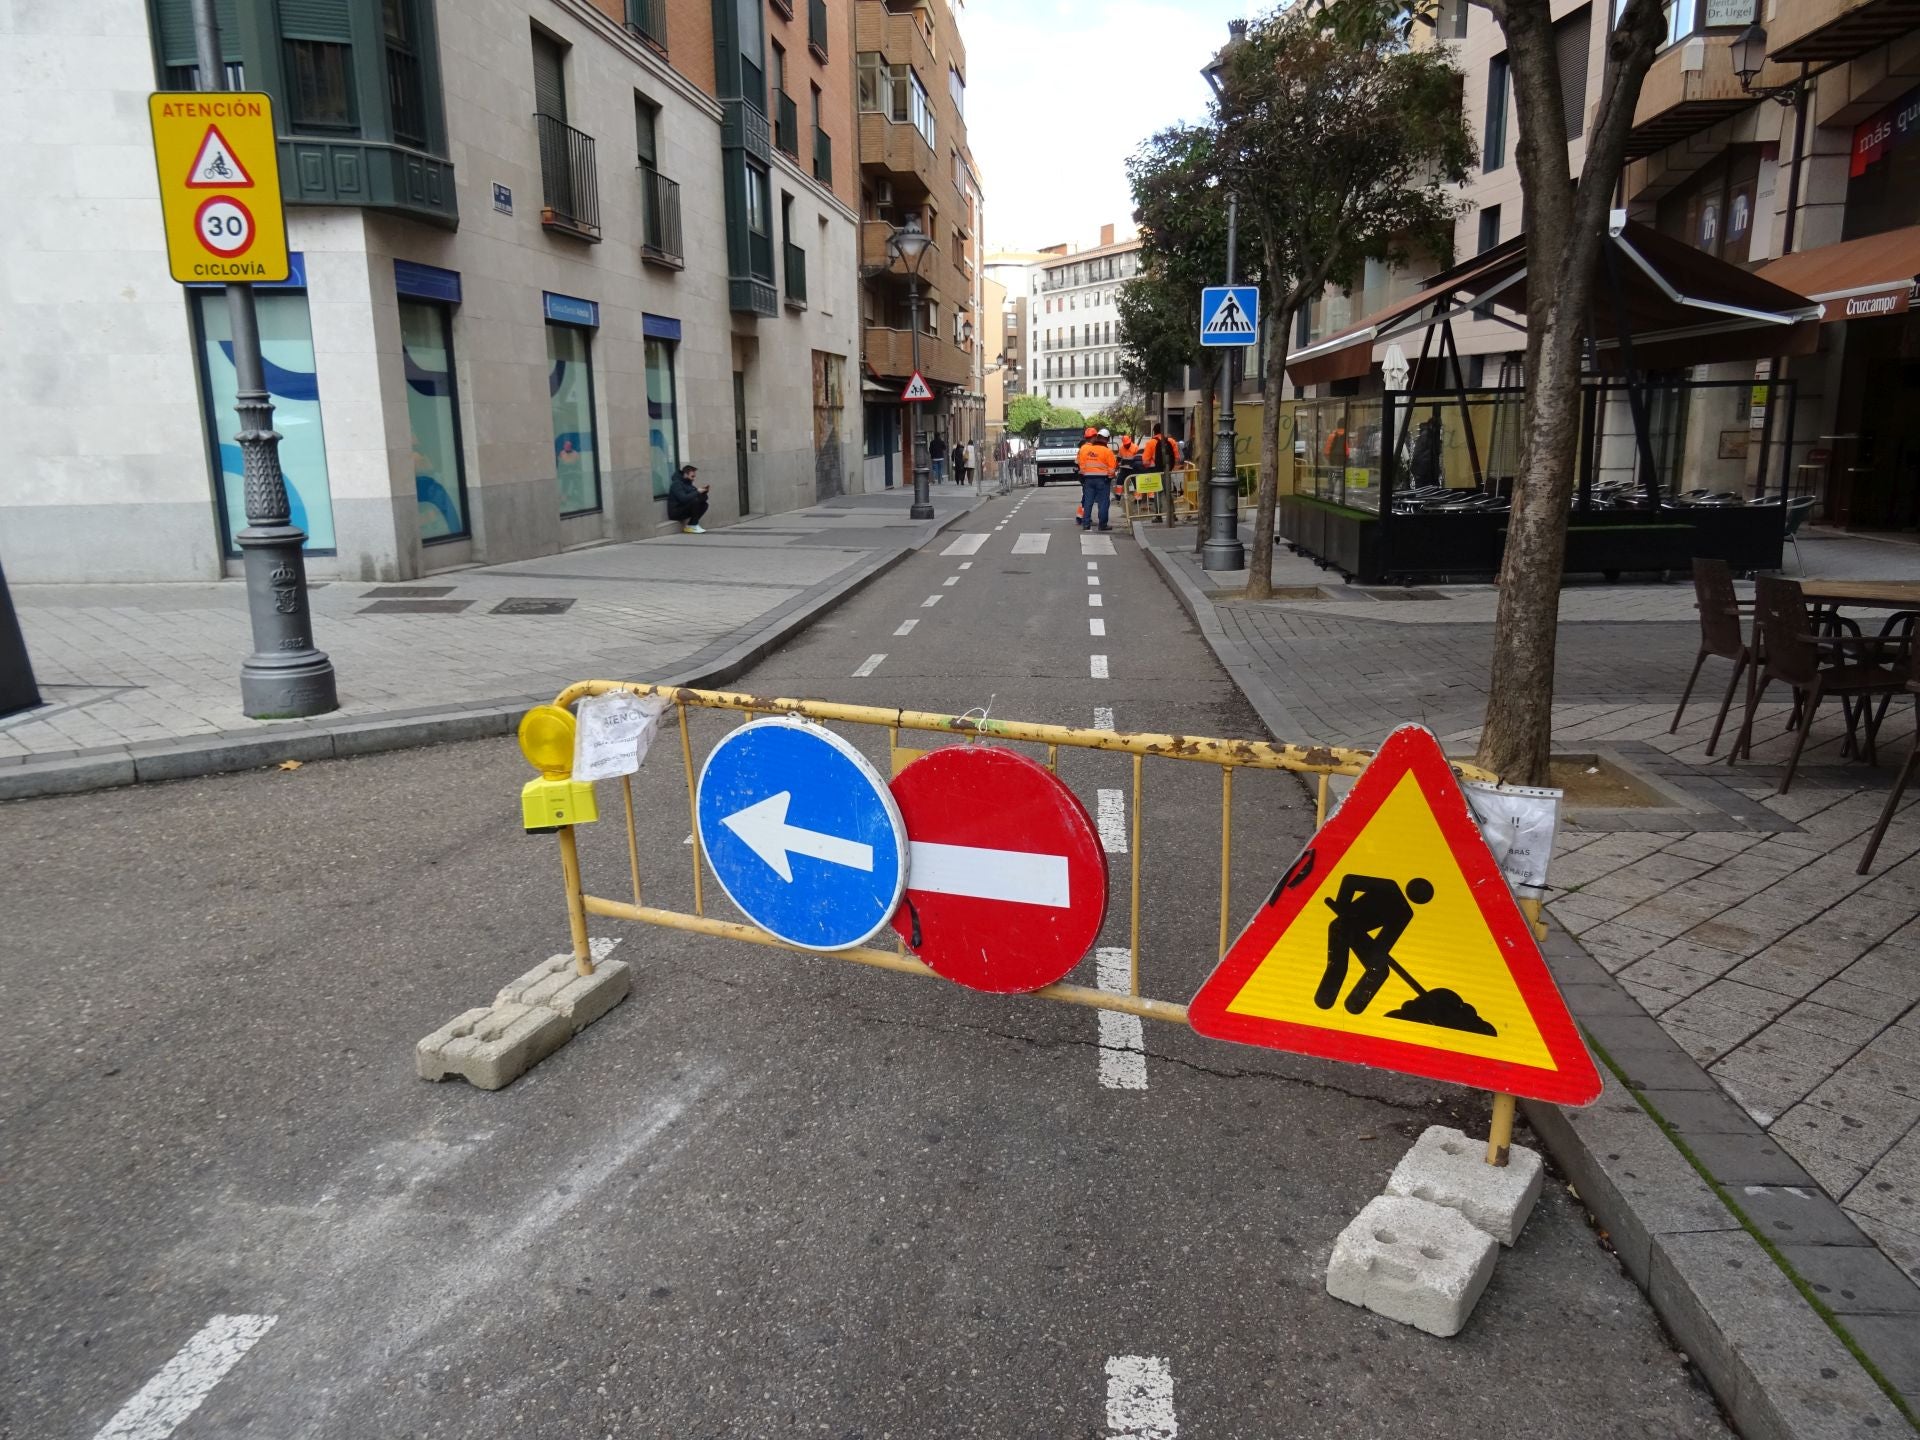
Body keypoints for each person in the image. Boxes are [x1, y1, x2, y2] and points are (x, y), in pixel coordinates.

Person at [1075, 428, 1119, 532]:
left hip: (1088, 479)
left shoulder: (1088, 450)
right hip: (1102, 480)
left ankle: (1086, 525)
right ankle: (1102, 525)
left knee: (1088, 502)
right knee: (1103, 503)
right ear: (1107, 439)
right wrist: (1109, 478)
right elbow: (1112, 469)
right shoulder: (1107, 451)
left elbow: (1082, 465)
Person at [666, 463, 710, 534]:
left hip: (684, 509)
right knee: (695, 501)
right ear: (686, 474)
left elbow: (701, 498)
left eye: (694, 476)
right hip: (676, 512)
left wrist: (704, 492)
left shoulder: (688, 484)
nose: (694, 479)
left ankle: (692, 525)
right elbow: (683, 499)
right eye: (692, 476)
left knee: (704, 504)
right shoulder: (676, 484)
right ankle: (693, 525)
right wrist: (697, 492)